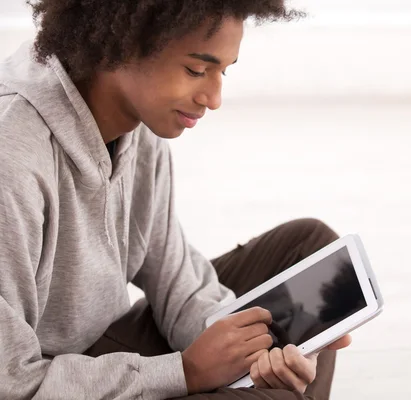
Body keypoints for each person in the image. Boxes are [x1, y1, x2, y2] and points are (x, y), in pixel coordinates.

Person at [0, 1, 352, 399]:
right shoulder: (12, 153)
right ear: (119, 43)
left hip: (105, 355)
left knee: (310, 248)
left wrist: (259, 353)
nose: (214, 97)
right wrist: (185, 372)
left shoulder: (140, 122)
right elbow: (11, 382)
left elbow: (177, 281)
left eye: (223, 71)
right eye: (196, 70)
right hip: (43, 383)